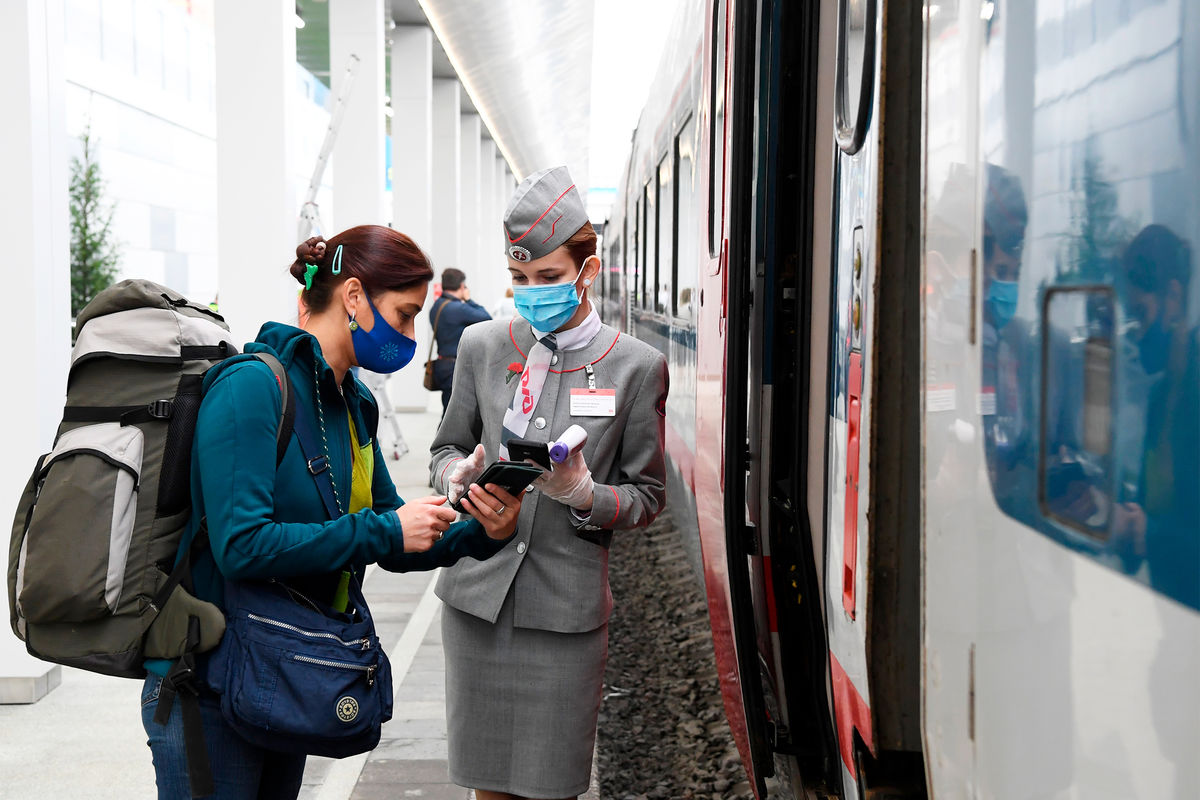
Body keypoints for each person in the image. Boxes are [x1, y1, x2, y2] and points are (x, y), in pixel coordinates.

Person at [141, 225, 524, 799]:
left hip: (283, 668)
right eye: (403, 315)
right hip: (209, 683)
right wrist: (384, 529)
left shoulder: (353, 403)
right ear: (352, 297)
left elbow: (392, 534)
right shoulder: (251, 388)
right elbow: (241, 545)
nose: (410, 334)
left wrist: (478, 529)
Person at [429, 166, 669, 800]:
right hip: (476, 602)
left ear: (587, 272)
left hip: (565, 613)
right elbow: (447, 447)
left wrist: (586, 496)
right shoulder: (482, 345)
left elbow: (648, 497)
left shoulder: (637, 367)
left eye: (549, 277)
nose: (531, 292)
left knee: (553, 786)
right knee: (487, 789)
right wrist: (457, 475)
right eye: (519, 279)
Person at [430, 267, 491, 413]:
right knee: (454, 415)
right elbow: (486, 317)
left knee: (447, 411)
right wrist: (468, 299)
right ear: (462, 286)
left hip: (443, 365)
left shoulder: (437, 306)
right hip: (455, 367)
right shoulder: (458, 308)